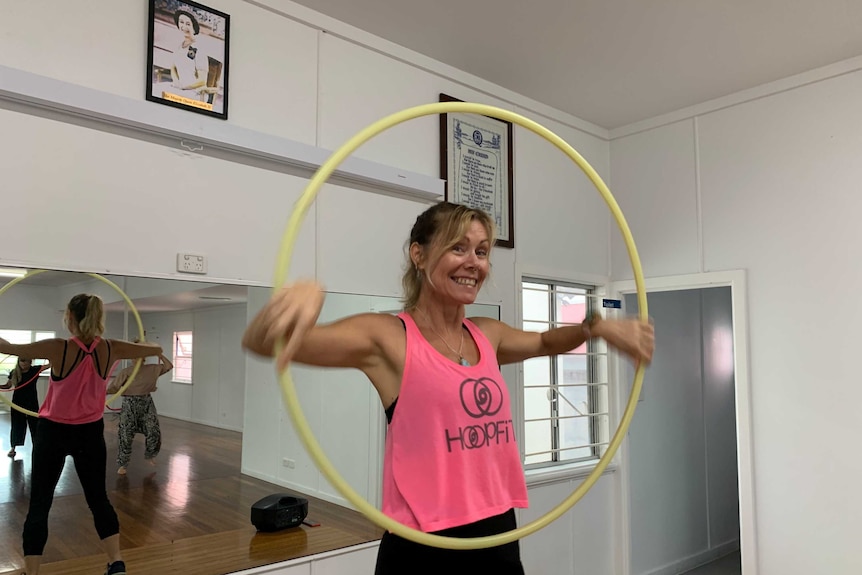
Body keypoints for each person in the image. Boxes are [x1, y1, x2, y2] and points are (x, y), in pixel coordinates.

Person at [242, 201, 655, 573]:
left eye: (482, 251)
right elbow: (265, 344)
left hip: (497, 531)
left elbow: (546, 341)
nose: (473, 262)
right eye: (458, 247)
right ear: (418, 254)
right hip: (425, 543)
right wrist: (291, 308)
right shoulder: (388, 337)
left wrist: (596, 328)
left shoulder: (486, 335)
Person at [0, 293, 162, 575]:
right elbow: (156, 348)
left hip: (53, 433)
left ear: (70, 318)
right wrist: (142, 345)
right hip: (89, 433)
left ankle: (33, 571)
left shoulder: (58, 347)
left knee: (40, 503)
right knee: (98, 498)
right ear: (98, 318)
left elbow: (11, 348)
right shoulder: (111, 348)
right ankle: (116, 563)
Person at [107, 345, 172, 475]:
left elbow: (169, 366)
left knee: (153, 429)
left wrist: (159, 355)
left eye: (140, 357)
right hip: (129, 404)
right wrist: (100, 396)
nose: (136, 360)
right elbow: (113, 388)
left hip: (146, 402)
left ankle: (151, 454)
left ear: (144, 358)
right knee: (126, 434)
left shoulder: (152, 369)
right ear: (132, 359)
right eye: (135, 357)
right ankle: (123, 464)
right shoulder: (126, 372)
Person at [153, 10, 211, 103]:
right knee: (155, 88)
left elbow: (202, 81)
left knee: (162, 94)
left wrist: (184, 86)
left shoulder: (199, 48)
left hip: (195, 92)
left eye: (188, 24)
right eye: (181, 22)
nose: (184, 27)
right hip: (180, 87)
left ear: (194, 28)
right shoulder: (178, 46)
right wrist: (176, 82)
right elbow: (173, 68)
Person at [1, 357, 46, 458]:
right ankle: (13, 448)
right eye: (22, 361)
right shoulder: (14, 372)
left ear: (30, 362)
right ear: (19, 362)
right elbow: (8, 386)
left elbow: (51, 364)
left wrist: (42, 353)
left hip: (31, 402)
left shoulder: (35, 370)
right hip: (17, 402)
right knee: (17, 424)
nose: (24, 364)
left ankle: (37, 448)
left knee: (35, 425)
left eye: (26, 361)